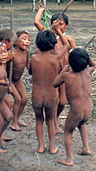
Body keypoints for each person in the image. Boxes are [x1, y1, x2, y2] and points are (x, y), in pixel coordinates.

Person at [34, 6, 76, 133]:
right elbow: (36, 22)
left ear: (66, 26)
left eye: (62, 24)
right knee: (53, 99)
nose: (59, 25)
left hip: (63, 73)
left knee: (62, 101)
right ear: (51, 23)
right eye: (56, 22)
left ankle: (55, 117)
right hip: (50, 74)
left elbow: (74, 53)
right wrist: (41, 10)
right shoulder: (47, 35)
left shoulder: (68, 39)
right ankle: (52, 121)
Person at [29, 20, 69, 154]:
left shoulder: (34, 58)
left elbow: (30, 72)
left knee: (39, 120)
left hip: (37, 95)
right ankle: (52, 147)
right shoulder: (56, 58)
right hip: (52, 95)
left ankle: (40, 146)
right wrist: (57, 31)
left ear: (38, 44)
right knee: (50, 120)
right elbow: (66, 44)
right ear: (53, 45)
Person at [53, 48, 96, 166]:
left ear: (70, 61)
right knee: (81, 124)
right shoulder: (87, 71)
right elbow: (94, 64)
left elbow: (55, 83)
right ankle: (86, 148)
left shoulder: (67, 75)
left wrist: (63, 71)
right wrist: (86, 55)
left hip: (76, 110)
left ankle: (69, 159)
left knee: (68, 132)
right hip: (88, 108)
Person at [9, 31, 30, 131]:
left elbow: (28, 66)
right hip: (9, 80)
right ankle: (13, 122)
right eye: (24, 39)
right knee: (18, 99)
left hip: (18, 80)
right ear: (15, 41)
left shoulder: (26, 52)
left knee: (24, 99)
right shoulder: (12, 53)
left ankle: (16, 118)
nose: (27, 42)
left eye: (28, 39)